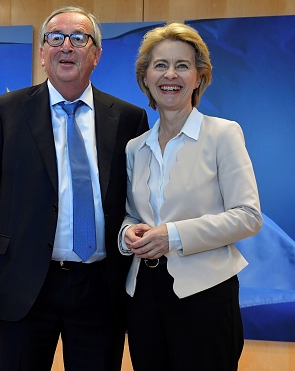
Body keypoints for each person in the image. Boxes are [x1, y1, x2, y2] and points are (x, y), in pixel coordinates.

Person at [0, 6, 149, 371]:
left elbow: (140, 203)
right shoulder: (7, 112)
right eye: (55, 38)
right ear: (42, 54)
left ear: (96, 54)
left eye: (79, 38)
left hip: (100, 288)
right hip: (25, 283)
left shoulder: (129, 119)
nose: (66, 46)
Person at [120, 22, 263, 370]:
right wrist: (127, 234)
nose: (171, 74)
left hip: (206, 295)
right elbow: (131, 215)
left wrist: (174, 236)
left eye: (182, 65)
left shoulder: (223, 134)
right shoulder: (135, 147)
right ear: (146, 78)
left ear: (199, 77)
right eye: (160, 65)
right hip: (143, 297)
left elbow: (248, 215)